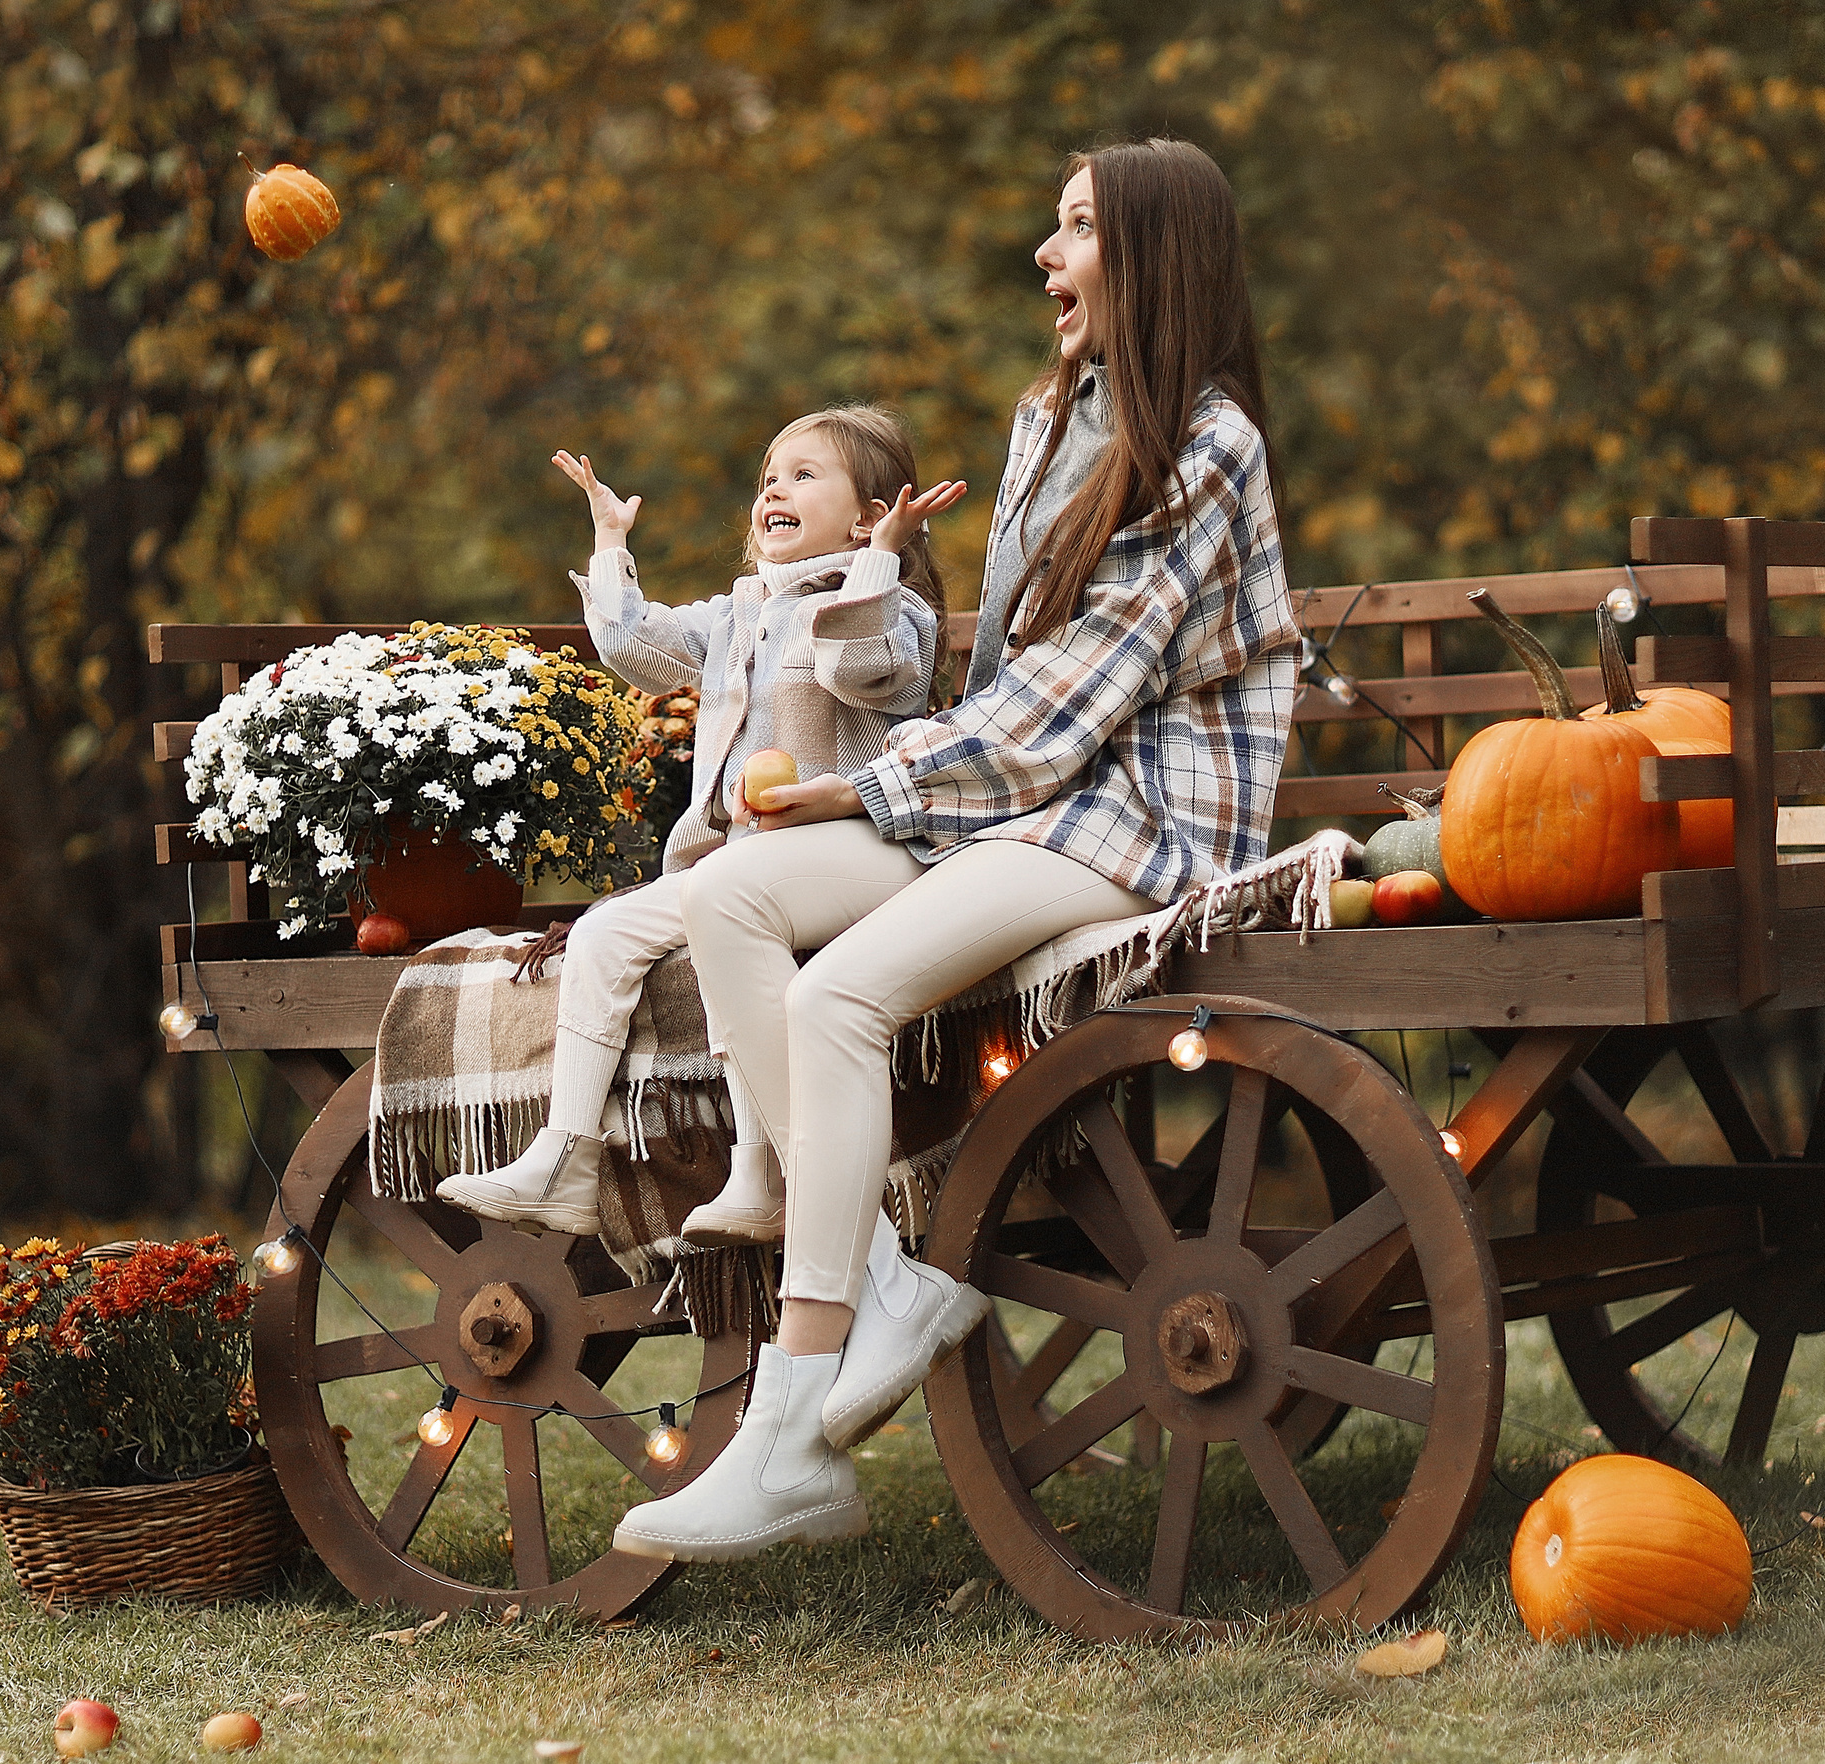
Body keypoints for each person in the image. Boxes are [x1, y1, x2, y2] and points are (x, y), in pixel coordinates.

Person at [613, 138, 1299, 1563]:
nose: (1045, 256)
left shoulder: (1209, 447)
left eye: (1077, 229)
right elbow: (1004, 678)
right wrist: (891, 790)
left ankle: (790, 1433)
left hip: (1140, 815)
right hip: (1025, 800)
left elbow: (1076, 698)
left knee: (835, 998)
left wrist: (876, 789)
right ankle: (878, 1277)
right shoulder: (1049, 417)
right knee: (731, 895)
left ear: (1154, 256)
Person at [435, 409, 966, 1250]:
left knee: (729, 930)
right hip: (735, 861)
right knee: (603, 932)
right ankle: (565, 1156)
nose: (774, 491)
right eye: (769, 479)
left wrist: (879, 560)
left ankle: (760, 1172)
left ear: (868, 516)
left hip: (846, 855)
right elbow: (633, 650)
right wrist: (611, 542)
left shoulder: (894, 612)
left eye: (804, 476)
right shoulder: (740, 613)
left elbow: (855, 667)